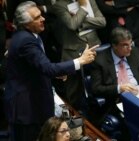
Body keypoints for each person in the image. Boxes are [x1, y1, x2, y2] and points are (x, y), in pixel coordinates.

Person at [3, 1, 97, 141]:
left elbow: (38, 67)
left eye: (41, 15)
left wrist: (56, 73)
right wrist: (80, 61)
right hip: (27, 110)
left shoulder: (30, 36)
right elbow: (47, 68)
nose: (43, 19)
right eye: (37, 18)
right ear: (26, 23)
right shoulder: (26, 41)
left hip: (32, 103)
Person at [52, 0, 106, 113]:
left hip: (94, 46)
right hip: (73, 51)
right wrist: (83, 8)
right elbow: (72, 25)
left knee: (99, 81)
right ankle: (76, 117)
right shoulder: (59, 5)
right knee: (75, 91)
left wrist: (80, 20)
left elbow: (102, 22)